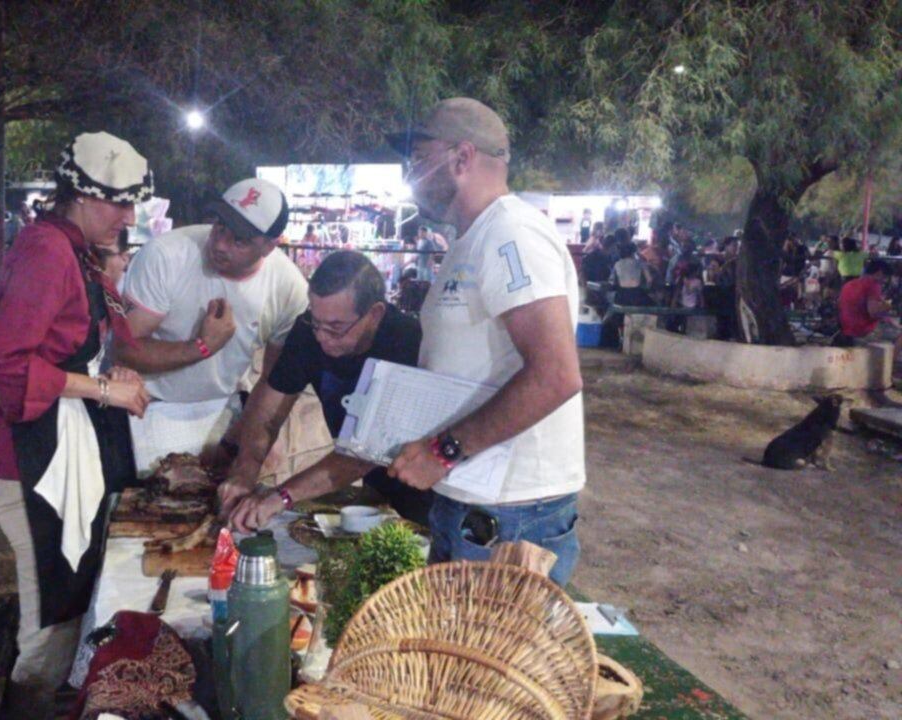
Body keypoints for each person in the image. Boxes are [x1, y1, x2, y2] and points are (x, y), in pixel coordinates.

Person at [0, 132, 153, 690]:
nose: (127, 217)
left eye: (132, 203)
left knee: (66, 605)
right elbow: (1, 362)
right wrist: (101, 390)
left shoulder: (72, 248)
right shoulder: (48, 251)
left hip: (58, 452)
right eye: (118, 202)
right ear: (79, 194)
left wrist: (108, 375)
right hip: (31, 463)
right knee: (50, 619)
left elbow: (76, 343)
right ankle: (27, 704)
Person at [384, 97, 585, 587]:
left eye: (418, 157)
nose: (409, 172)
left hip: (511, 511)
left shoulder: (511, 235)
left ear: (461, 158)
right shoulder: (470, 240)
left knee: (488, 663)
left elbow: (556, 375)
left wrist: (445, 451)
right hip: (471, 497)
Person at [217, 251, 432, 531]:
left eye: (336, 328)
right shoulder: (308, 331)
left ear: (374, 314)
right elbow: (266, 415)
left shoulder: (405, 340)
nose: (321, 337)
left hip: (423, 486)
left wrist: (280, 497)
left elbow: (362, 455)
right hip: (372, 486)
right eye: (316, 322)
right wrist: (246, 470)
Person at [112, 178, 308, 473]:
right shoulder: (166, 255)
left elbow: (274, 379)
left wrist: (247, 438)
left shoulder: (288, 287)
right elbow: (124, 348)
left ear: (269, 246)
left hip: (222, 409)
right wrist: (201, 347)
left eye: (239, 240)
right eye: (219, 227)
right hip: (147, 405)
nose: (219, 245)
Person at [839, 259, 901, 355]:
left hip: (846, 328)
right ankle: (888, 365)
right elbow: (873, 312)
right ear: (880, 272)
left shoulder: (849, 284)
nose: (884, 280)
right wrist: (887, 306)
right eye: (885, 276)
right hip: (863, 330)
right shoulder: (873, 285)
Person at [609, 241, 652, 306]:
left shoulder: (617, 264)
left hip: (621, 298)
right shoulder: (641, 263)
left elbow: (611, 281)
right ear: (633, 252)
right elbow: (649, 280)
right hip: (638, 297)